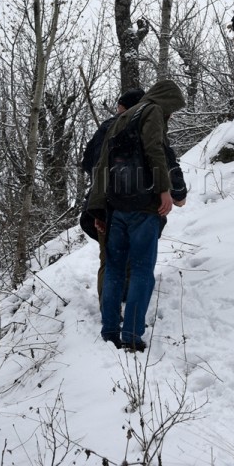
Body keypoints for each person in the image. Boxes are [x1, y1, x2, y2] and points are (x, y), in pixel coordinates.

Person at [87, 79, 186, 352]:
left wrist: (99, 208)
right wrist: (164, 190)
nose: (171, 114)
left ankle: (109, 331)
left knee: (115, 269)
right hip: (143, 208)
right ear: (165, 100)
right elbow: (155, 149)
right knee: (142, 270)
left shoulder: (121, 118)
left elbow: (102, 164)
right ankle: (131, 335)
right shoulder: (151, 110)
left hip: (116, 207)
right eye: (172, 108)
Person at [80, 88, 145, 301]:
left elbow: (88, 162)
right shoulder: (141, 125)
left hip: (100, 201)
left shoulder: (106, 127)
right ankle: (122, 301)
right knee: (130, 253)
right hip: (130, 201)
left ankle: (109, 306)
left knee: (108, 257)